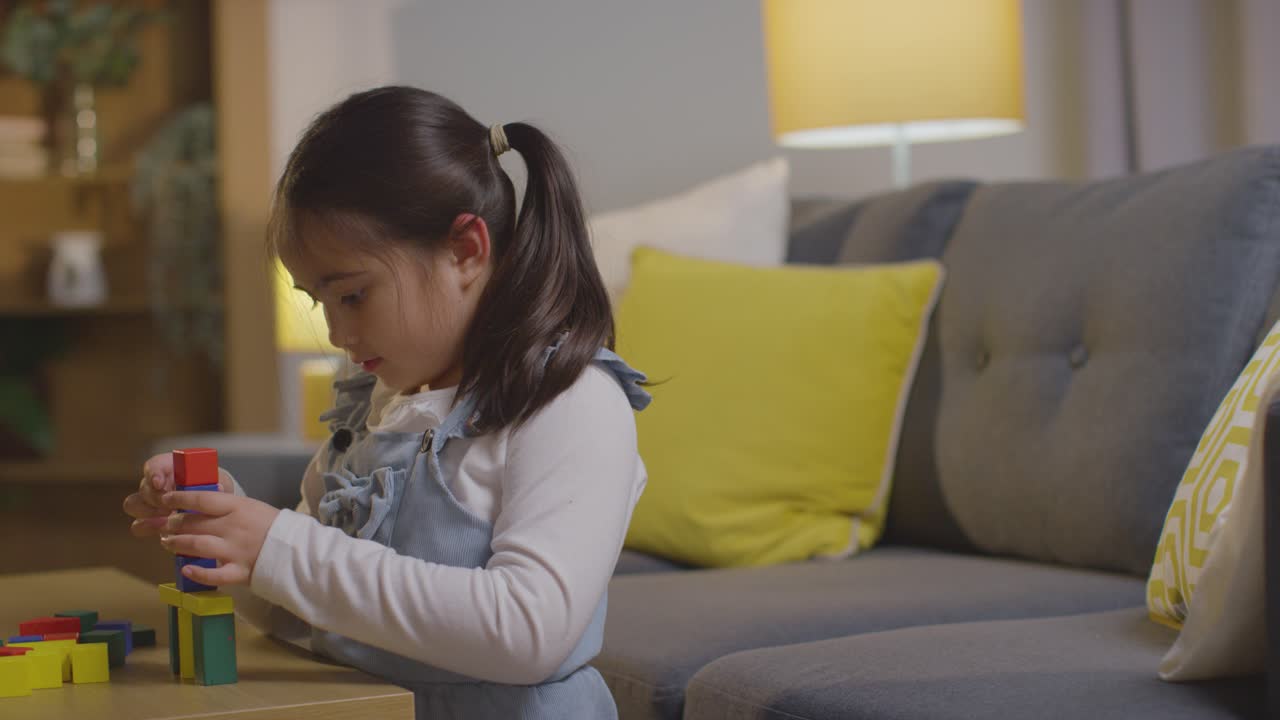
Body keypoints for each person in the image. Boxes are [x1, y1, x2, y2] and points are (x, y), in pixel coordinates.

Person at [122, 85, 650, 718]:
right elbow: (313, 611)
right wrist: (228, 533)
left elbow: (529, 633)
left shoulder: (570, 402)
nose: (339, 337)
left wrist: (279, 546)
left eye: (353, 296)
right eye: (319, 303)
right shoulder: (377, 408)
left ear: (465, 250)